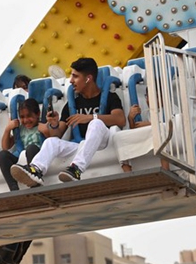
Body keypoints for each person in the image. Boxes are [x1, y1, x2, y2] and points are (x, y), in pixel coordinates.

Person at [11, 57, 125, 187]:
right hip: (82, 147)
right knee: (50, 142)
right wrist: (53, 124)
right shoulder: (73, 104)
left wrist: (90, 117)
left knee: (96, 124)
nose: (71, 81)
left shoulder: (110, 97)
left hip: (104, 143)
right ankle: (35, 170)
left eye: (75, 77)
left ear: (88, 78)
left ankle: (76, 169)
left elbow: (120, 119)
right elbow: (57, 135)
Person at [0, 98, 51, 191]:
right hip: (22, 158)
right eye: (22, 117)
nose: (25, 120)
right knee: (2, 155)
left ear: (38, 114)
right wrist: (8, 129)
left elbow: (52, 142)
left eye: (29, 116)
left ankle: (34, 181)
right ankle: (13, 188)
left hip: (36, 158)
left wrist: (46, 132)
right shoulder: (20, 129)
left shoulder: (43, 126)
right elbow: (5, 147)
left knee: (31, 149)